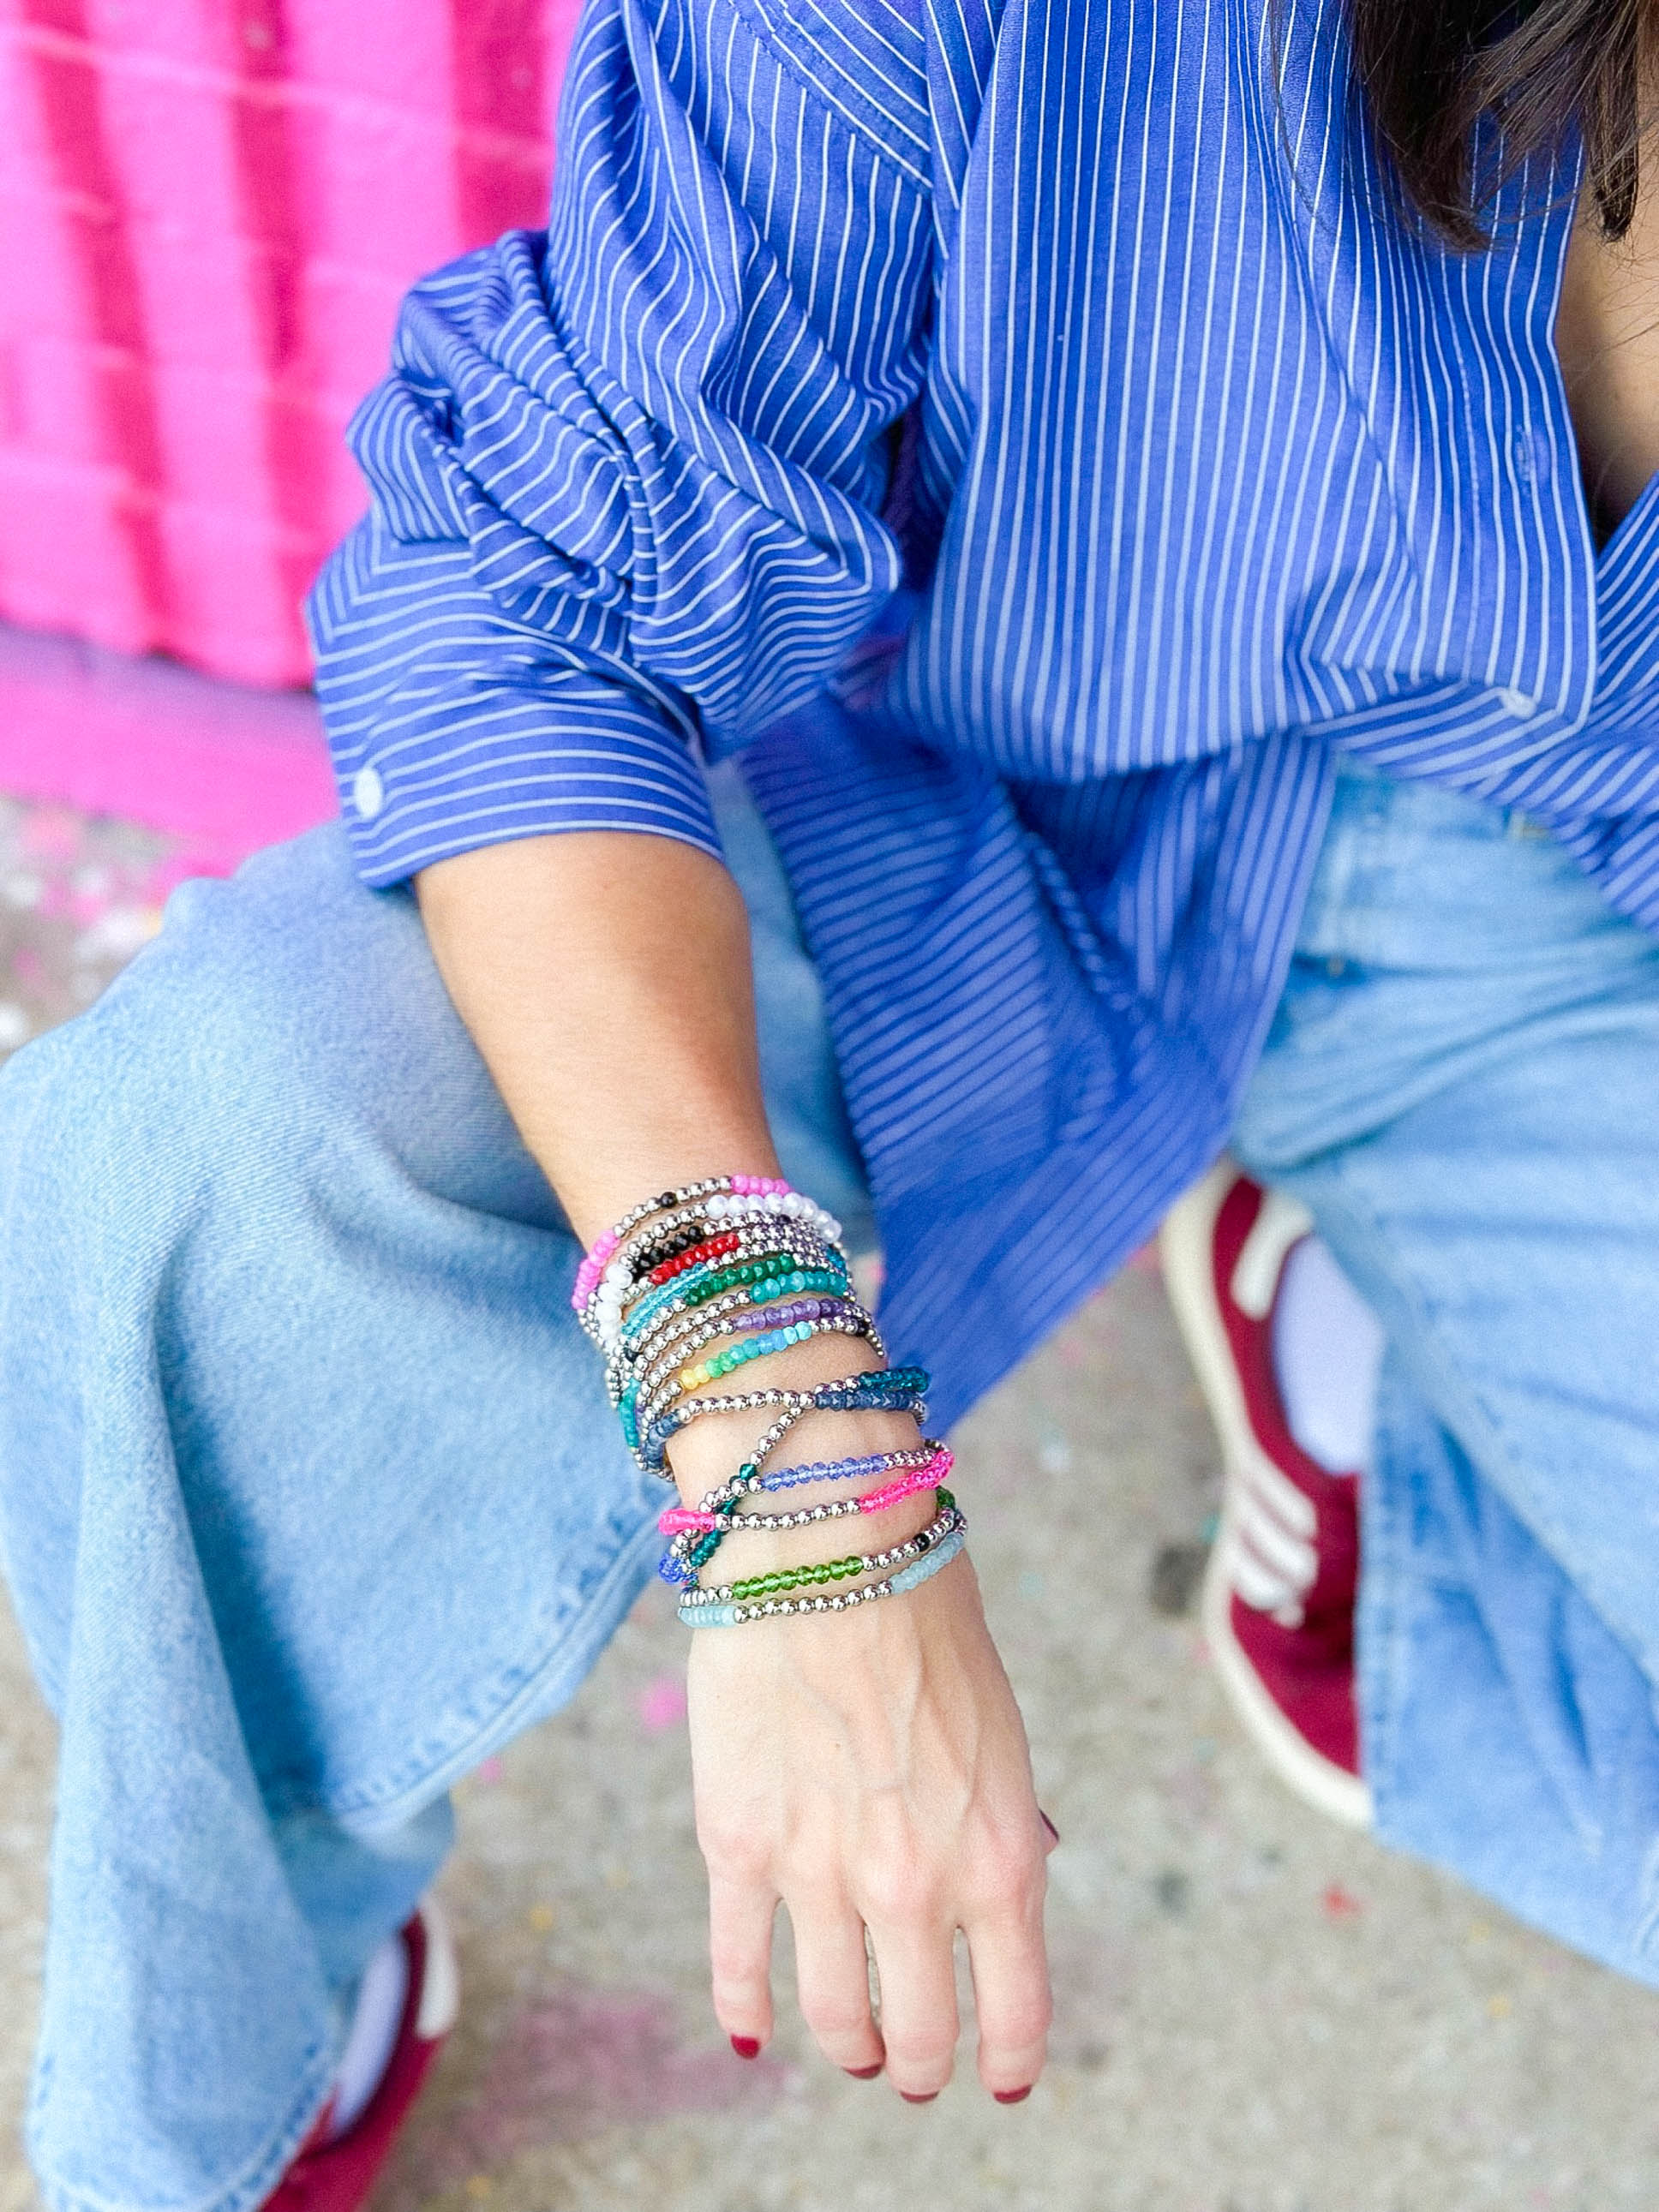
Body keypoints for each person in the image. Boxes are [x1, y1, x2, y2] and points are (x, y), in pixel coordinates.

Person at [3, 0, 1657, 2202]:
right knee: (215, 1148)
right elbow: (534, 610)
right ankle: (264, 2014)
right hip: (941, 776)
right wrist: (795, 1478)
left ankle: (1376, 1467)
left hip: (1552, 923)